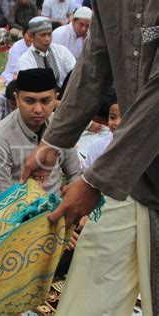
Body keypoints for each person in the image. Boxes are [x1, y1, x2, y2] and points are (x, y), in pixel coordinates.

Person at [20, 0, 158, 314]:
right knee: (91, 284)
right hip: (131, 178)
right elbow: (94, 63)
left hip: (125, 170)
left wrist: (94, 182)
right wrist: (51, 143)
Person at [0, 68, 81, 195]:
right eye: (29, 101)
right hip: (19, 209)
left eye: (46, 101)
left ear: (55, 99)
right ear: (17, 99)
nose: (38, 109)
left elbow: (75, 174)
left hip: (57, 203)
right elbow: (2, 196)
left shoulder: (61, 127)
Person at [18, 16, 76, 87]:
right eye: (43, 35)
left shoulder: (61, 51)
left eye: (49, 34)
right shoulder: (25, 60)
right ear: (31, 37)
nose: (47, 39)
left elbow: (75, 73)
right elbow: (27, 86)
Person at [83, 95, 121, 170]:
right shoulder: (97, 146)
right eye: (112, 118)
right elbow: (87, 172)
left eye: (124, 116)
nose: (117, 123)